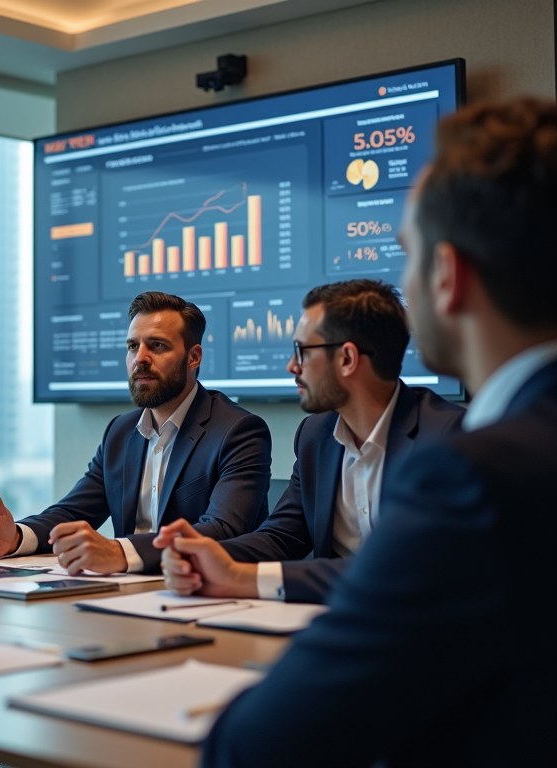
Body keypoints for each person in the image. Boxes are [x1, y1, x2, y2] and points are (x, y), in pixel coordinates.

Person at [172, 98, 557, 766]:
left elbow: (263, 742)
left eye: (410, 256)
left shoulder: (473, 472)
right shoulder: (321, 439)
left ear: (448, 276)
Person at [158, 279, 464, 603]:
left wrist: (241, 577)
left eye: (302, 351)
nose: (292, 366)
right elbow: (281, 537)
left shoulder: (448, 439)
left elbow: (404, 566)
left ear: (347, 358)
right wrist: (205, 556)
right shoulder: (315, 436)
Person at [0, 291, 272, 574]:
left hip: (199, 595)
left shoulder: (239, 432)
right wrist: (16, 537)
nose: (140, 358)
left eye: (157, 346)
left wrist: (120, 553)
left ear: (194, 357)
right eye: (132, 346)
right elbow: (72, 511)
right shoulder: (120, 431)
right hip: (127, 594)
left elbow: (221, 530)